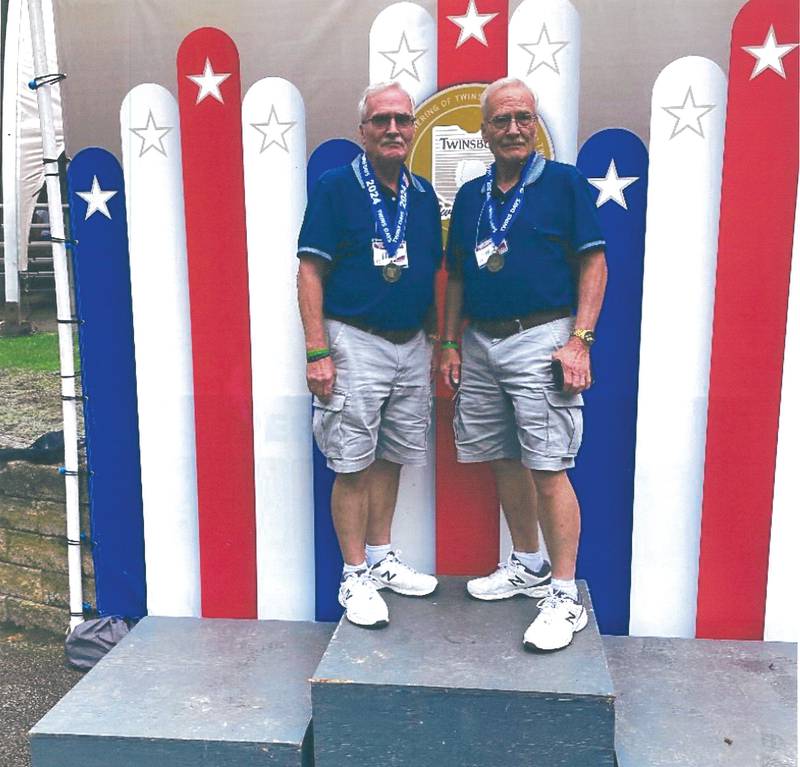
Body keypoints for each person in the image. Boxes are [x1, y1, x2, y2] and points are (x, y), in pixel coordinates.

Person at [440, 77, 607, 652]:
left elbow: (594, 265)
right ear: (483, 130)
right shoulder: (471, 195)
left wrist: (580, 340)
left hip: (542, 338)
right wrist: (450, 342)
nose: (513, 129)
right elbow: (458, 275)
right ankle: (528, 564)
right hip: (481, 344)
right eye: (501, 120)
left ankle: (564, 594)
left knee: (548, 465)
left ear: (535, 125)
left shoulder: (563, 184)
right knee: (504, 457)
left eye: (523, 118)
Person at [297, 82, 441, 628]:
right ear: (362, 131)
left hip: (410, 343)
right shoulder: (336, 188)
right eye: (380, 121)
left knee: (392, 453)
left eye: (402, 120)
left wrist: (437, 341)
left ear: (413, 129)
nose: (393, 129)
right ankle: (353, 573)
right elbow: (310, 270)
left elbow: (430, 271)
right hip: (353, 340)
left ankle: (380, 558)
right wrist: (317, 351)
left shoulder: (423, 195)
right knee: (351, 460)